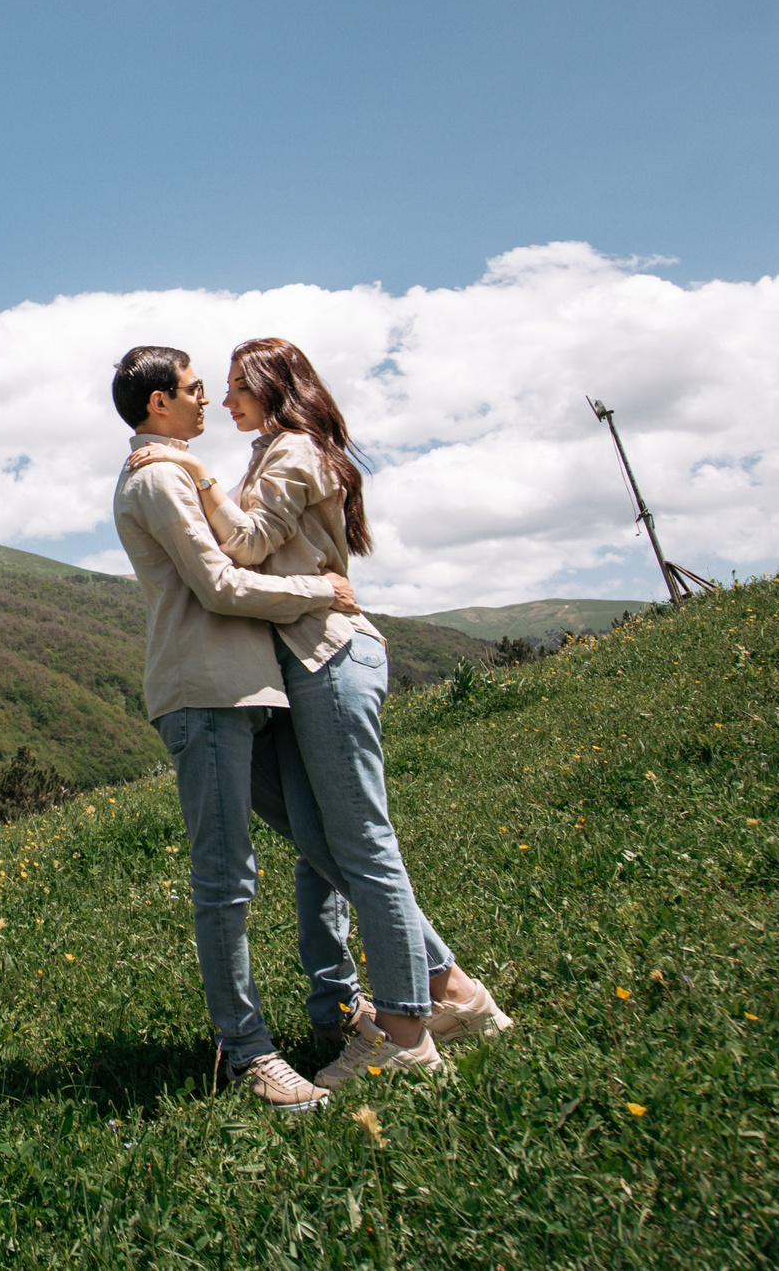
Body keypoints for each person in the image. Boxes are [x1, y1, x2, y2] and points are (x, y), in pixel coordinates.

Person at [129, 336, 513, 1088]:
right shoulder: (272, 454)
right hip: (302, 661)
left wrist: (194, 475)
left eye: (237, 386)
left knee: (362, 844)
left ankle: (405, 1028)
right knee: (325, 843)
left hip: (327, 650)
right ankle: (453, 996)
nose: (223, 399)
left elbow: (242, 546)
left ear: (274, 388)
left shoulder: (293, 450)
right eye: (212, 386)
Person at [109, 345, 353, 1111]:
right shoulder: (153, 479)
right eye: (189, 389)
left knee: (326, 843)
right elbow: (217, 583)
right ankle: (247, 1051)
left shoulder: (180, 471)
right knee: (227, 877)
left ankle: (348, 1010)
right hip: (204, 691)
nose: (205, 398)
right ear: (157, 403)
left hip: (251, 689)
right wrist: (320, 591)